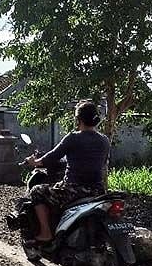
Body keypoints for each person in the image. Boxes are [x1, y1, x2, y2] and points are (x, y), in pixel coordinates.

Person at [25, 100, 110, 243]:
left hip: (74, 190)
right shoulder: (104, 140)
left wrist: (34, 162)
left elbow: (52, 157)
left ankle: (46, 233)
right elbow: (101, 163)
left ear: (78, 119)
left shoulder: (73, 138)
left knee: (36, 191)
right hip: (97, 191)